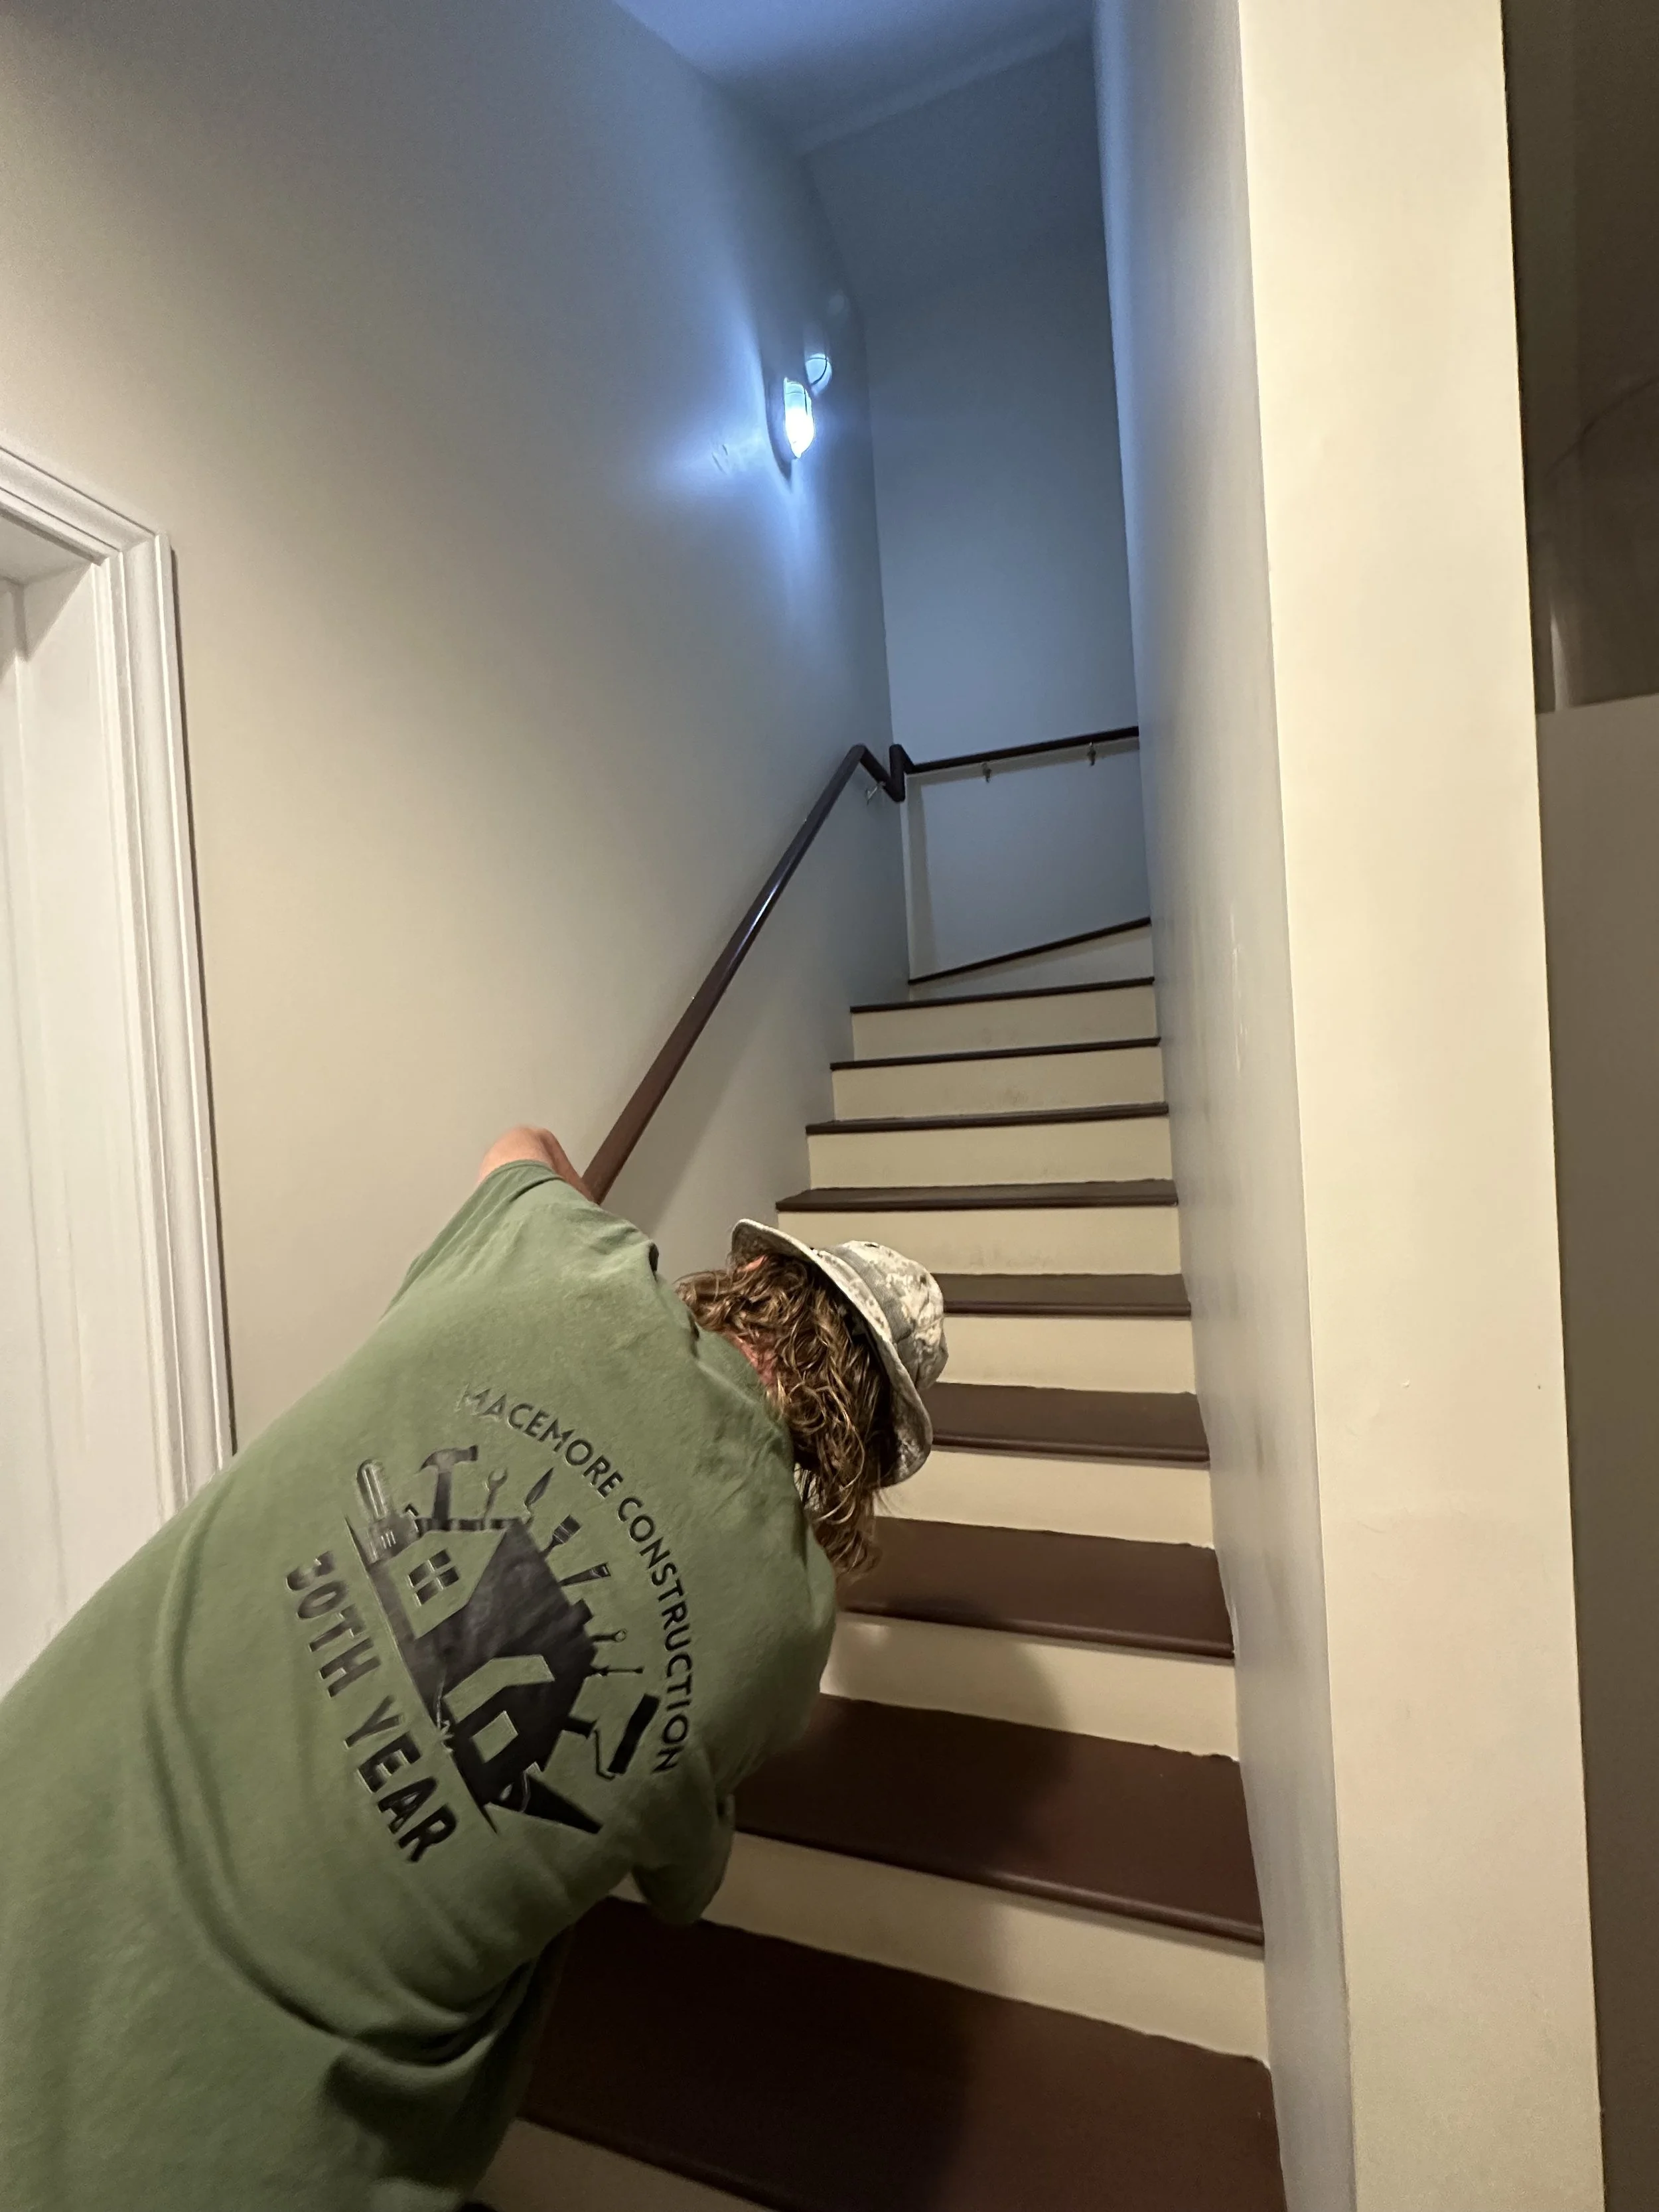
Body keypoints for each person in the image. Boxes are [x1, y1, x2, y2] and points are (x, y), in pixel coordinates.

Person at [0, 1124, 947, 2211]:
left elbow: (522, 1143)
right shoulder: (792, 1621)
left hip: (45, 1819)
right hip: (264, 2141)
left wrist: (598, 1252)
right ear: (863, 1446)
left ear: (754, 1277)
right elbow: (684, 1885)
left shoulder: (562, 1263)